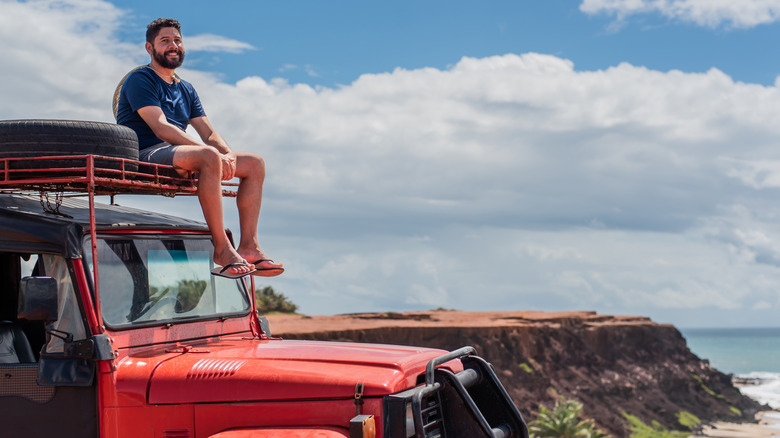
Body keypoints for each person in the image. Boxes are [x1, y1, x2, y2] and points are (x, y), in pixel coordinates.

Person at [116, 18, 282, 279]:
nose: (174, 45)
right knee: (207, 156)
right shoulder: (140, 79)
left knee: (254, 163)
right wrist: (213, 155)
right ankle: (222, 248)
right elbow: (161, 128)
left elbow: (208, 132)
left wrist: (225, 154)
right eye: (165, 41)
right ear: (150, 48)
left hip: (180, 152)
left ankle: (249, 246)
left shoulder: (186, 88)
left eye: (177, 40)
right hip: (147, 153)